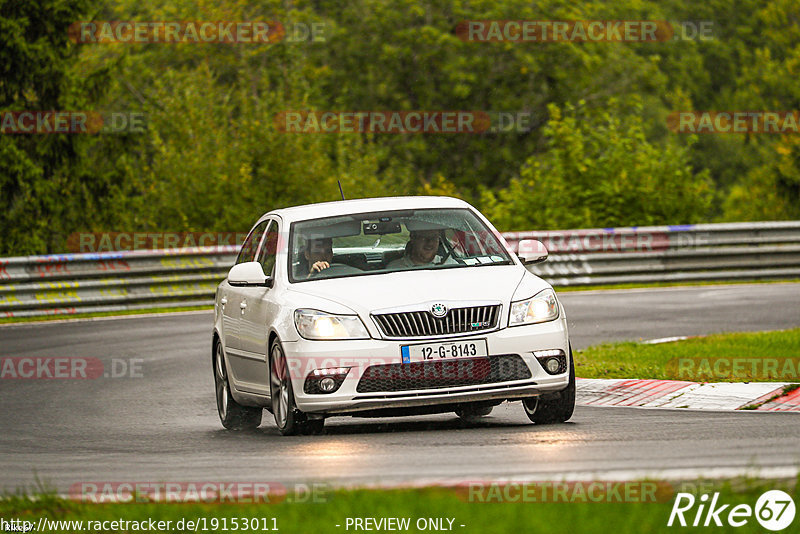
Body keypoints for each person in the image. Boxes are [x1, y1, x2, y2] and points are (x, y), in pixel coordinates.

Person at [387, 229, 455, 269]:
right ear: (413, 239)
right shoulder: (395, 268)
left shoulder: (451, 265)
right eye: (424, 237)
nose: (430, 242)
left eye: (434, 237)